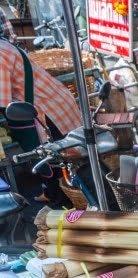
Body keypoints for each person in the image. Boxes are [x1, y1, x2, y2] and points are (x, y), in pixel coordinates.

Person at [0, 38, 81, 203]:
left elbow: (2, 100)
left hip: (46, 109)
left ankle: (69, 203)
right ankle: (54, 193)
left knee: (58, 158)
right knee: (55, 157)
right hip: (48, 101)